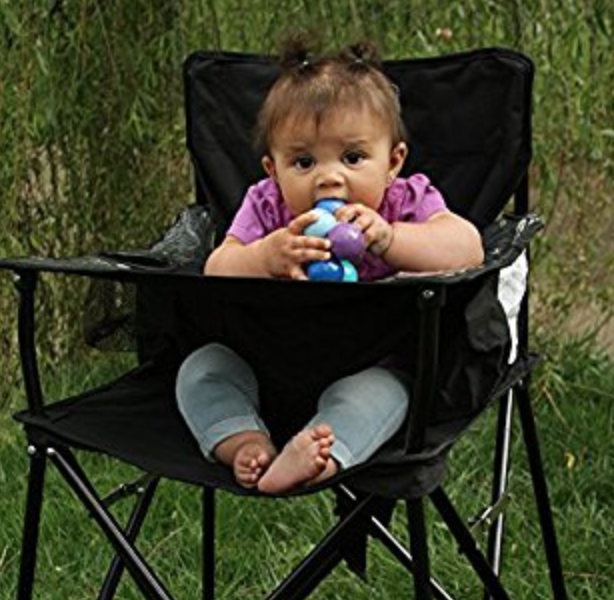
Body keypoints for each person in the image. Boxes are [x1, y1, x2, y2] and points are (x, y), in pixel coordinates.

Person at [176, 38, 483, 494]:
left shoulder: (406, 202)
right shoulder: (265, 206)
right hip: (268, 364)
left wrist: (391, 239)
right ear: (273, 169)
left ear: (393, 162)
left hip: (371, 360)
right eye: (302, 161)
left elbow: (468, 248)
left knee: (382, 396)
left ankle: (317, 457)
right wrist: (264, 256)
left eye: (353, 157)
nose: (329, 176)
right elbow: (218, 268)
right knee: (201, 369)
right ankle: (245, 443)